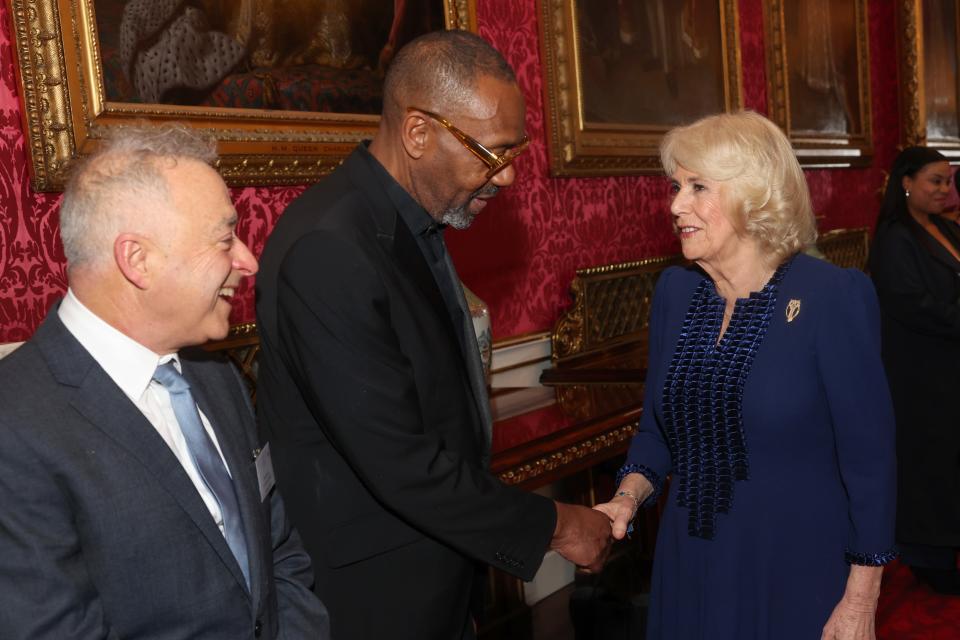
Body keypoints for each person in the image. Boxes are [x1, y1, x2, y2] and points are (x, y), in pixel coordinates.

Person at [255, 30, 612, 639]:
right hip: (374, 598)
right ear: (418, 133)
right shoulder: (330, 248)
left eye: (514, 151)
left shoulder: (406, 220)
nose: (505, 178)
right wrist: (560, 525)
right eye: (490, 152)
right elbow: (399, 462)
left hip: (434, 568)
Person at [0, 125, 330, 639]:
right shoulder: (15, 427)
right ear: (138, 260)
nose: (247, 261)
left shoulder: (215, 376)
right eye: (225, 239)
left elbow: (281, 557)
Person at [594, 111, 897, 639]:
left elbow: (870, 462)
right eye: (675, 186)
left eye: (697, 187)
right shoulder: (675, 293)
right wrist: (627, 497)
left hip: (796, 570)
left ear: (753, 195)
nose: (675, 205)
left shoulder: (832, 297)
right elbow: (657, 433)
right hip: (689, 563)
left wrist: (861, 597)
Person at [869, 146, 960, 594]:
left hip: (950, 367)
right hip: (920, 374)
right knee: (928, 463)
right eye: (936, 181)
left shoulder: (944, 226)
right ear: (906, 182)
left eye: (949, 181)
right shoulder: (894, 237)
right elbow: (913, 305)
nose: (946, 189)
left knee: (951, 461)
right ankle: (929, 558)